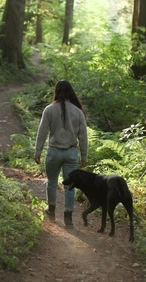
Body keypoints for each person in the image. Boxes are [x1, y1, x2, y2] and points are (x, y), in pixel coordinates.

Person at [34, 80, 88, 227]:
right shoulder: (78, 112)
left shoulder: (49, 110)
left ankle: (51, 211)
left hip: (54, 152)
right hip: (71, 153)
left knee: (51, 182)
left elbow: (42, 132)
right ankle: (68, 218)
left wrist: (37, 151)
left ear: (56, 92)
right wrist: (84, 156)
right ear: (71, 92)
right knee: (70, 186)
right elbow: (83, 136)